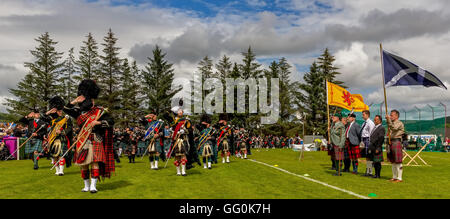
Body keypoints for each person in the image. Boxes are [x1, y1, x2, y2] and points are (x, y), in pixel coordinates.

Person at [64, 79, 115, 193]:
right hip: (82, 139)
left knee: (95, 162)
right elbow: (66, 109)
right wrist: (74, 101)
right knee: (83, 164)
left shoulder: (100, 111)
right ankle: (86, 186)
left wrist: (98, 123)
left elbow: (111, 122)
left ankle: (93, 186)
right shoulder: (78, 111)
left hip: (95, 138)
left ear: (93, 100)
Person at [42, 96, 73, 176]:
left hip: (61, 138)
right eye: (58, 110)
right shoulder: (52, 119)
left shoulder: (66, 118)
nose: (60, 112)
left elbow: (69, 128)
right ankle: (57, 170)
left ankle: (61, 171)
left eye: (60, 110)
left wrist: (62, 131)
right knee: (53, 155)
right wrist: (49, 112)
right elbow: (43, 118)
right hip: (52, 138)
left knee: (61, 154)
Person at [386, 110, 405, 183]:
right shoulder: (390, 123)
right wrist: (388, 121)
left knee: (398, 161)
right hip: (391, 142)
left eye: (392, 115)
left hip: (396, 141)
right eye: (390, 115)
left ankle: (399, 178)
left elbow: (394, 128)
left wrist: (388, 120)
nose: (390, 116)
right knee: (392, 161)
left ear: (397, 116)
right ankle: (394, 177)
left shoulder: (399, 123)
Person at [360, 110, 375, 176]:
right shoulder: (364, 123)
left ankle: (370, 172)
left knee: (369, 156)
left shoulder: (370, 123)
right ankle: (368, 171)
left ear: (367, 115)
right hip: (364, 140)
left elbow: (371, 133)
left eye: (363, 114)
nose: (362, 116)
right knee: (367, 157)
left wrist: (371, 143)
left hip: (368, 140)